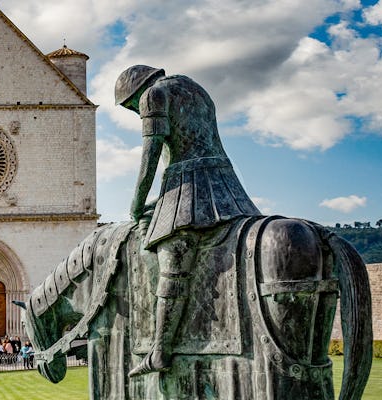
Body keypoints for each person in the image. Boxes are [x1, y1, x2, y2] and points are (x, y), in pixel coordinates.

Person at [115, 65, 261, 377]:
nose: (134, 112)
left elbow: (149, 158)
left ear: (135, 93)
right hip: (223, 182)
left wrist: (137, 204)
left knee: (172, 259)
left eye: (129, 107)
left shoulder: (153, 96)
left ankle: (159, 351)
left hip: (191, 185)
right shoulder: (194, 88)